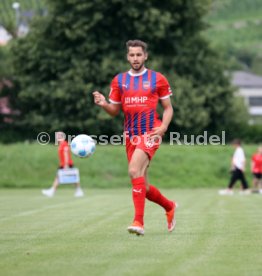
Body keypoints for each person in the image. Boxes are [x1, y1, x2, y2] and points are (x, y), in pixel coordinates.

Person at [93, 39, 177, 236]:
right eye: (132, 55)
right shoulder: (119, 81)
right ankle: (169, 206)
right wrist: (104, 103)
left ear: (145, 56)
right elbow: (114, 111)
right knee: (144, 187)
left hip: (151, 132)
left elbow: (168, 108)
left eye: (139, 54)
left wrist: (163, 127)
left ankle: (138, 222)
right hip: (130, 135)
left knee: (133, 170)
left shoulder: (158, 79)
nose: (135, 58)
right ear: (127, 56)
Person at [42, 131, 84, 198]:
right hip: (63, 164)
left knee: (73, 177)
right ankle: (52, 191)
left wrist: (66, 165)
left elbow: (66, 154)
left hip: (66, 164)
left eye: (58, 136)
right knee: (60, 177)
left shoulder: (64, 143)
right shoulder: (61, 144)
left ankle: (79, 191)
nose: (57, 137)